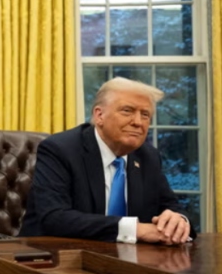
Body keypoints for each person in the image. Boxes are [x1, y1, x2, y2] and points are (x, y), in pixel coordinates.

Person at [20, 77, 195, 245]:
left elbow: (171, 206)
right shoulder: (60, 149)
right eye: (127, 111)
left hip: (129, 258)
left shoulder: (148, 157)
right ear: (99, 115)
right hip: (51, 255)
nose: (138, 122)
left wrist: (178, 221)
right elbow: (54, 218)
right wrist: (134, 230)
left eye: (145, 114)